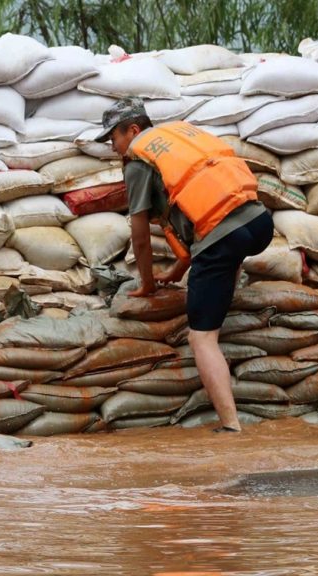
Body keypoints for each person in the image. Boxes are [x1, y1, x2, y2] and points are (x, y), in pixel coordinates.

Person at [95, 98, 274, 433]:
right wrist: (178, 271)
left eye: (113, 138)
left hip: (225, 238)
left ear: (133, 130)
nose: (112, 146)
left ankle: (230, 426)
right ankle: (222, 299)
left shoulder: (137, 161)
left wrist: (147, 285)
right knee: (223, 262)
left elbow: (140, 237)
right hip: (260, 223)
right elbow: (198, 210)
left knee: (201, 337)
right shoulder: (179, 137)